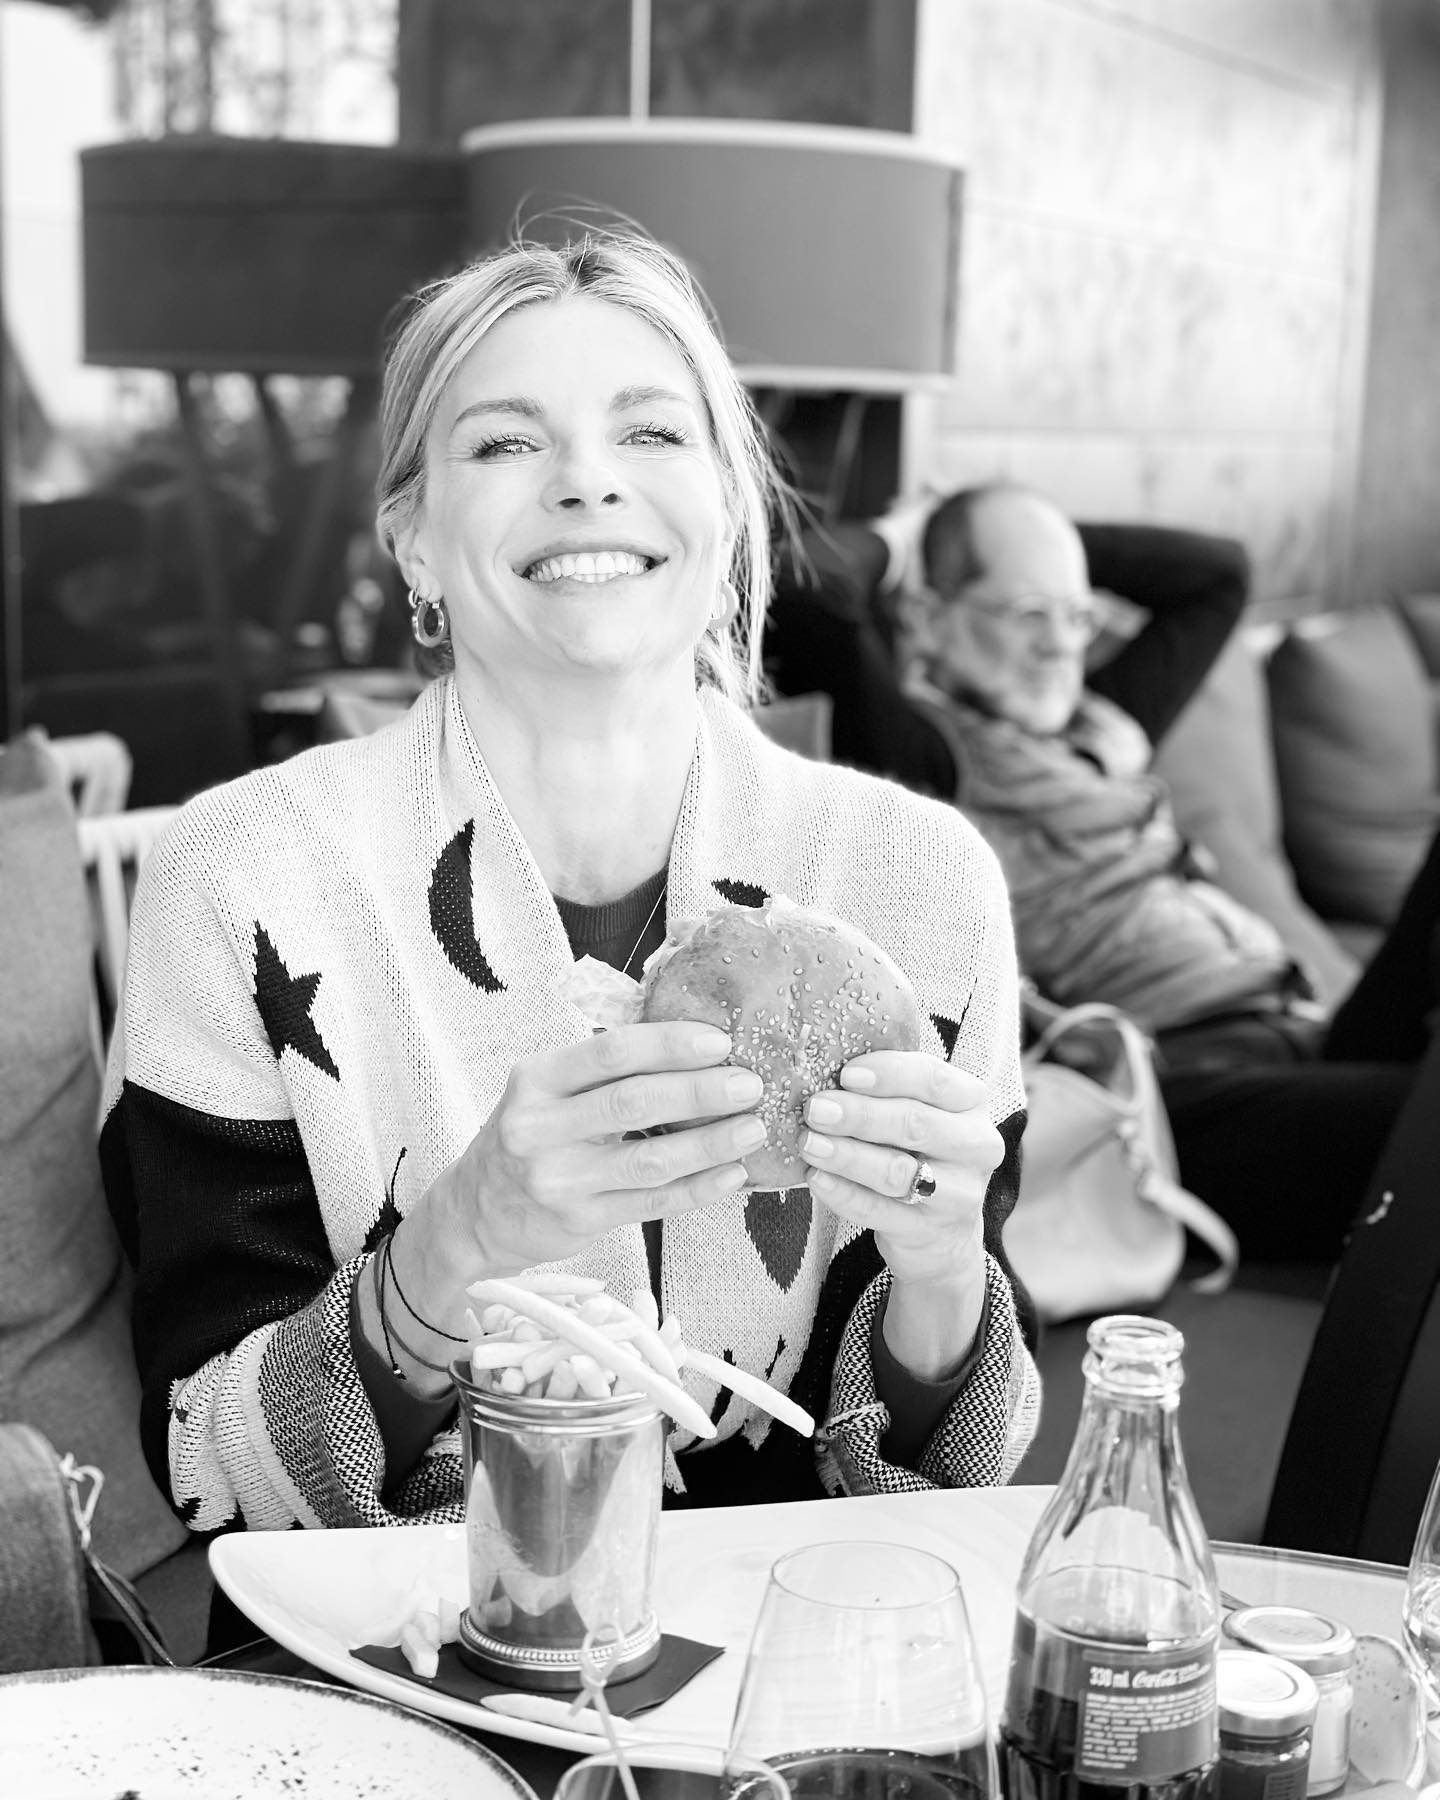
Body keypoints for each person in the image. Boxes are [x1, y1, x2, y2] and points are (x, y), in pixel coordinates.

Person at [99, 235, 1039, 1549]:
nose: (588, 483)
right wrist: (460, 1236)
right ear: (412, 542)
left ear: (731, 514)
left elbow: (964, 1489)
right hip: (396, 1673)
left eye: (652, 434)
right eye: (503, 445)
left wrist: (943, 1270)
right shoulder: (245, 883)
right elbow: (209, 1462)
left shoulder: (920, 885)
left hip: (799, 1666)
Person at [773, 481, 1438, 1264]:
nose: (1062, 645)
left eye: (1077, 615)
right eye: (1027, 614)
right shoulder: (920, 757)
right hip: (1168, 1094)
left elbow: (1218, 575)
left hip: (1309, 1032)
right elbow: (808, 587)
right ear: (928, 619)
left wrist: (1037, 542)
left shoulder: (1099, 730)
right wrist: (912, 531)